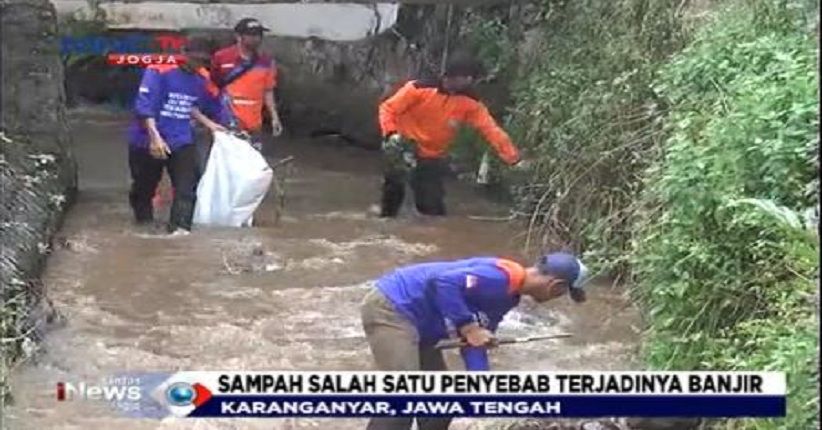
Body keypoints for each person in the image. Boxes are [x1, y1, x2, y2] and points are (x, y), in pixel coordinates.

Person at [360, 252, 588, 430]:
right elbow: (443, 282)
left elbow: (476, 343)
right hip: (393, 307)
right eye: (562, 292)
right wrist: (468, 327)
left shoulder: (508, 297)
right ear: (556, 286)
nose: (558, 297)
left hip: (421, 323)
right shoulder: (500, 277)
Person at [377, 52, 524, 218]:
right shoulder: (418, 88)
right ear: (455, 76)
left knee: (432, 210)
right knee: (392, 197)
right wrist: (391, 133)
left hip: (431, 157)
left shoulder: (471, 103)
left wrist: (514, 159)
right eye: (468, 77)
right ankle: (386, 222)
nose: (471, 81)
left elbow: (491, 130)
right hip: (402, 146)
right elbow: (388, 108)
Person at [127, 37, 225, 235]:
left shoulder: (201, 78)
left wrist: (211, 125)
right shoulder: (159, 70)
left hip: (181, 138)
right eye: (195, 59)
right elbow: (145, 106)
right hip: (146, 139)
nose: (198, 64)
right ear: (183, 53)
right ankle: (143, 226)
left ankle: (180, 232)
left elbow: (191, 105)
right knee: (144, 188)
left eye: (203, 61)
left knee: (186, 188)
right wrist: (155, 138)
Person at [210, 18, 283, 152]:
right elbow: (211, 84)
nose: (257, 39)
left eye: (259, 35)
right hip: (227, 120)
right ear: (238, 36)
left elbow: (268, 90)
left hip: (254, 123)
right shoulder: (222, 57)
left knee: (253, 160)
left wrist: (274, 117)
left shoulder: (266, 62)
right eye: (252, 35)